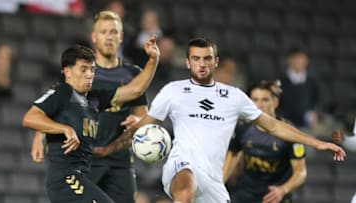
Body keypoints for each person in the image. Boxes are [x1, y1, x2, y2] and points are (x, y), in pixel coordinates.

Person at [95, 38, 345, 203]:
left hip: (213, 180)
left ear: (215, 62)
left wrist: (318, 143)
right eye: (196, 58)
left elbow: (274, 125)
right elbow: (144, 124)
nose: (201, 64)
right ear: (187, 61)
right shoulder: (173, 90)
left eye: (206, 59)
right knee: (184, 192)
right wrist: (110, 147)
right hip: (182, 164)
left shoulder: (235, 97)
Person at [30, 11, 160, 203]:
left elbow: (142, 116)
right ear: (93, 37)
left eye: (114, 32)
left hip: (119, 160)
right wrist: (39, 136)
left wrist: (138, 122)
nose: (109, 37)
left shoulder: (133, 73)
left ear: (121, 37)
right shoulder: (80, 74)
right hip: (85, 160)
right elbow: (53, 106)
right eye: (103, 32)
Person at [223, 80, 307, 203]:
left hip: (275, 197)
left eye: (265, 100)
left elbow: (301, 172)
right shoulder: (242, 127)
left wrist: (283, 189)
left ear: (275, 102)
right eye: (255, 100)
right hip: (246, 194)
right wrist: (219, 184)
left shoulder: (290, 133)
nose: (259, 105)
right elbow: (233, 155)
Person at [278, 48, 320, 129]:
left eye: (301, 58)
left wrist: (314, 113)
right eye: (295, 58)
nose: (298, 62)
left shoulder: (312, 80)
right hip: (286, 123)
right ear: (289, 60)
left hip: (307, 123)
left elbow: (317, 100)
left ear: (307, 60)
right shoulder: (281, 81)